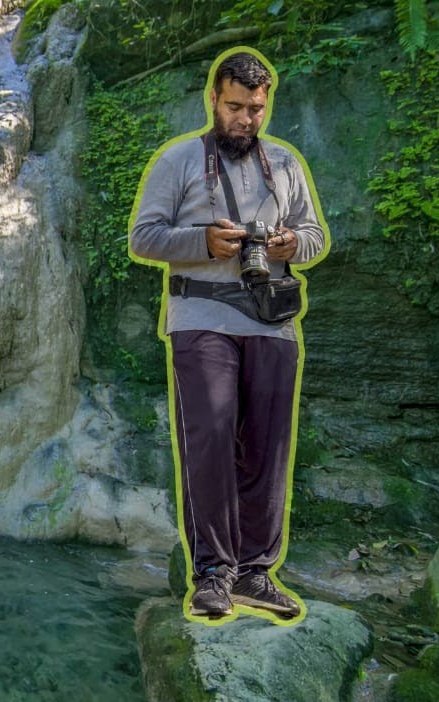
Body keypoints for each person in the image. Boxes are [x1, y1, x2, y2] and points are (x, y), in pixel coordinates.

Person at [128, 48, 327, 622]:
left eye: (256, 109)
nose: (246, 119)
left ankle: (257, 574)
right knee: (211, 437)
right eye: (236, 106)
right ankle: (213, 573)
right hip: (200, 318)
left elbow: (313, 235)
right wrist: (202, 243)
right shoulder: (179, 161)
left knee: (269, 446)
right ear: (213, 99)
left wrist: (293, 246)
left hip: (272, 320)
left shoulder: (286, 164)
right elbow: (144, 237)